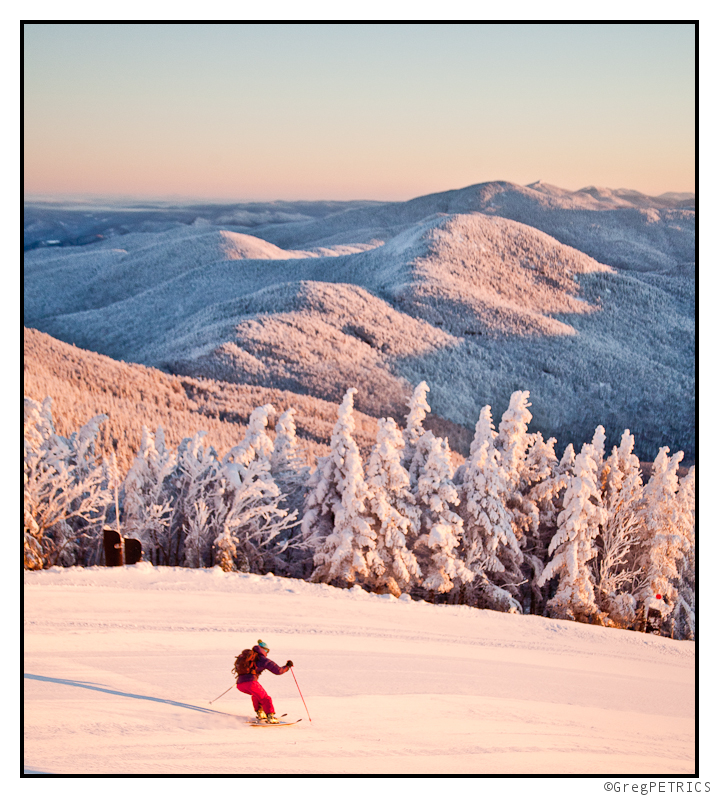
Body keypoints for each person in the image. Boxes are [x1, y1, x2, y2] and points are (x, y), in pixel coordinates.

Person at [233, 639, 293, 723]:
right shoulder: (262, 659)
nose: (267, 653)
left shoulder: (250, 657)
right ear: (264, 650)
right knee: (265, 698)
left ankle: (260, 713)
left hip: (240, 684)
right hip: (251, 683)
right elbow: (278, 671)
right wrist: (287, 667)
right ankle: (270, 716)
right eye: (267, 651)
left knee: (256, 695)